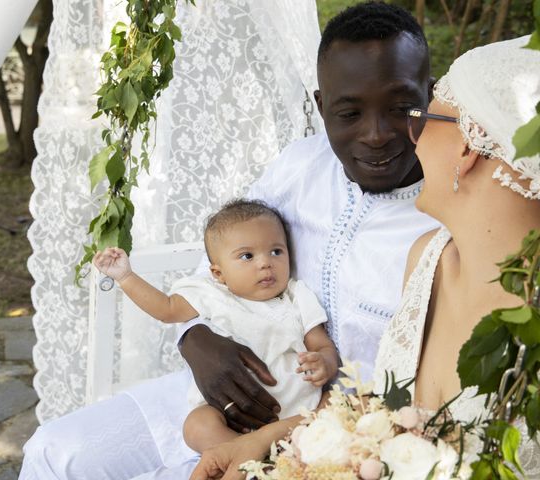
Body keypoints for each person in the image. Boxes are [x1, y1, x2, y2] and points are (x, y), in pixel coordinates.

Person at [19, 3, 439, 478]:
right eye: (349, 112)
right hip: (220, 397)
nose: (377, 134)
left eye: (402, 107)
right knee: (57, 451)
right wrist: (196, 340)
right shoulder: (301, 166)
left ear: (431, 93)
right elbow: (220, 259)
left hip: (337, 438)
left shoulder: (450, 211)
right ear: (322, 108)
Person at [191, 34, 540, 480]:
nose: (405, 133)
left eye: (425, 115)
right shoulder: (426, 259)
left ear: (467, 147)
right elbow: (385, 414)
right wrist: (260, 443)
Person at [92, 199, 339, 453]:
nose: (265, 263)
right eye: (247, 256)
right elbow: (166, 309)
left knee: (333, 408)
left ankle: (267, 454)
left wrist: (325, 362)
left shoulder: (296, 297)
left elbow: (321, 344)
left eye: (276, 251)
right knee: (197, 426)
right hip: (233, 418)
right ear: (218, 273)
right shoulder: (211, 294)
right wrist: (126, 277)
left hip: (295, 414)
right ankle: (244, 454)